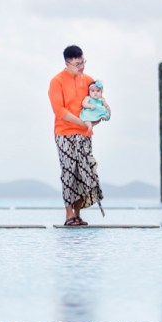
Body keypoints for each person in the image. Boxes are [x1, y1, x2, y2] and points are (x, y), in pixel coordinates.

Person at [48, 45, 105, 226]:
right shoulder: (56, 81)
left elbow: (97, 103)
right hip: (64, 133)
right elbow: (59, 111)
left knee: (84, 172)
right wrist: (82, 123)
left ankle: (78, 214)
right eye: (78, 64)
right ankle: (68, 214)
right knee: (69, 172)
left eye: (83, 62)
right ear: (67, 63)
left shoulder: (88, 80)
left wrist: (98, 118)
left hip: (84, 134)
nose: (82, 66)